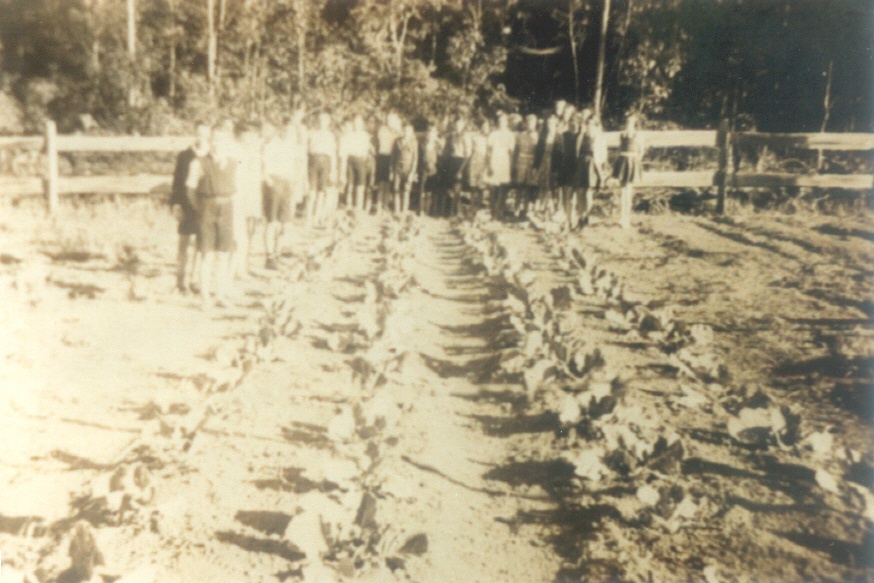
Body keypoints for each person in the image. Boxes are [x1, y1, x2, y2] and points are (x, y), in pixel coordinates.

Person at [187, 124, 237, 308]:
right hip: (206, 207)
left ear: (228, 141)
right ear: (210, 141)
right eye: (214, 140)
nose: (218, 144)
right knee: (206, 254)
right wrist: (200, 208)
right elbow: (191, 189)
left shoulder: (233, 163)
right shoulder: (198, 162)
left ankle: (220, 294)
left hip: (227, 207)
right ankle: (205, 296)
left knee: (224, 254)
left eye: (222, 140)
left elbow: (236, 189)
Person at [170, 122, 211, 294]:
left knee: (201, 244)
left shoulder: (212, 155)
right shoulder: (185, 155)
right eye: (199, 133)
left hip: (205, 205)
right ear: (195, 134)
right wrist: (176, 204)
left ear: (210, 135)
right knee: (184, 243)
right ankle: (180, 281)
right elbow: (178, 182)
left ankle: (195, 280)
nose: (201, 137)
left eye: (205, 134)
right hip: (187, 204)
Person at [262, 120, 296, 269]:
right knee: (272, 222)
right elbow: (264, 167)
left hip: (287, 183)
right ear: (280, 130)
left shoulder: (291, 146)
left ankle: (277, 253)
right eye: (285, 131)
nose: (288, 134)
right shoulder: (271, 145)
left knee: (285, 223)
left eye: (291, 132)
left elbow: (293, 167)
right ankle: (269, 257)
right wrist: (270, 183)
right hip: (274, 183)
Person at [232, 122, 264, 278]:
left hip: (251, 195)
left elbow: (256, 178)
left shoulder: (255, 152)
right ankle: (237, 269)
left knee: (249, 232)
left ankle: (244, 265)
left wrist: (255, 204)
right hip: (237, 195)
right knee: (239, 234)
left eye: (252, 135)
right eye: (246, 134)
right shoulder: (235, 151)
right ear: (239, 135)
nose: (249, 138)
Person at [571, 115, 608, 229]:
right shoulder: (581, 137)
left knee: (588, 192)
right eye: (588, 124)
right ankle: (580, 217)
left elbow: (603, 155)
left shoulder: (600, 138)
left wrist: (601, 171)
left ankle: (587, 215)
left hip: (593, 166)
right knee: (580, 192)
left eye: (592, 124)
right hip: (582, 165)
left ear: (596, 126)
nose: (589, 126)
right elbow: (577, 152)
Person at [612, 112, 645, 229]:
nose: (629, 123)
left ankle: (627, 218)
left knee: (629, 191)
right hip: (622, 162)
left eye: (631, 121)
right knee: (623, 191)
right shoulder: (622, 134)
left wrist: (635, 162)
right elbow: (619, 149)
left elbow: (641, 151)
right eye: (627, 121)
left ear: (634, 122)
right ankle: (621, 218)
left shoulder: (638, 135)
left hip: (632, 162)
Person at [307, 112, 338, 227]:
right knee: (311, 192)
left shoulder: (330, 135)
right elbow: (307, 150)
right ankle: (308, 218)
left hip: (325, 163)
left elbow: (333, 154)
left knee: (321, 193)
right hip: (313, 161)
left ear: (328, 123)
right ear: (317, 121)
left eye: (325, 121)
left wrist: (333, 170)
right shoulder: (312, 133)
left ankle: (317, 218)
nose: (322, 123)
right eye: (320, 120)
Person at [339, 114, 374, 213]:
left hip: (361, 161)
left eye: (359, 123)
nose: (357, 125)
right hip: (350, 160)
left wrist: (365, 156)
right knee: (350, 184)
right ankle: (349, 206)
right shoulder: (349, 135)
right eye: (355, 123)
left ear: (362, 124)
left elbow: (367, 150)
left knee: (360, 185)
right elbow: (344, 151)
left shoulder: (365, 135)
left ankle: (358, 207)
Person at [486, 112, 515, 220]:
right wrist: (489, 165)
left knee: (503, 188)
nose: (502, 123)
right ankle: (493, 212)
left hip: (505, 162)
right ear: (498, 122)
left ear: (507, 122)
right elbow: (488, 151)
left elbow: (511, 152)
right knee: (493, 188)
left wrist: (511, 166)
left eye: (504, 121)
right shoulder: (493, 134)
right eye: (500, 121)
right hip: (494, 161)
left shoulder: (510, 135)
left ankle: (500, 211)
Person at [533, 114, 563, 215]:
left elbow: (561, 154)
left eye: (552, 123)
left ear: (556, 124)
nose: (550, 125)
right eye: (548, 123)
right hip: (543, 163)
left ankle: (553, 209)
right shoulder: (543, 136)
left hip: (554, 164)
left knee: (552, 186)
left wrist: (558, 169)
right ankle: (542, 207)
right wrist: (535, 166)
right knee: (542, 185)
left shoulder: (559, 137)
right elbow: (538, 152)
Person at [439, 117, 468, 217]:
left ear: (463, 126)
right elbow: (446, 149)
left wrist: (461, 170)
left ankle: (457, 212)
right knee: (449, 188)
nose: (458, 127)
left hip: (460, 162)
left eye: (460, 125)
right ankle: (448, 212)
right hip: (450, 161)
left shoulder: (465, 137)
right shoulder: (451, 136)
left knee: (457, 189)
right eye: (456, 125)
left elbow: (467, 155)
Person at [513, 113, 540, 220]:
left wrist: (535, 165)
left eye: (532, 122)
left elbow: (538, 151)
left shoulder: (537, 135)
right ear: (525, 123)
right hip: (521, 160)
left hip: (532, 161)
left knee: (529, 186)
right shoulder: (520, 135)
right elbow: (516, 150)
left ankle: (525, 209)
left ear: (535, 123)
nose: (530, 124)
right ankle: (517, 207)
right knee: (519, 185)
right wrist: (515, 163)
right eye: (528, 122)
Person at [374, 112, 401, 214]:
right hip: (382, 156)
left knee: (388, 182)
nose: (390, 122)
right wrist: (395, 128)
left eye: (392, 120)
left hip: (391, 157)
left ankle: (385, 204)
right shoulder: (383, 130)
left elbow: (401, 135)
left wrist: (397, 127)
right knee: (381, 182)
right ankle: (379, 205)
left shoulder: (395, 131)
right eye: (388, 120)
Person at [464, 118, 490, 217]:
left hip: (484, 163)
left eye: (487, 127)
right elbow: (468, 140)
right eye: (484, 127)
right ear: (481, 127)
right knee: (473, 186)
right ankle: (472, 207)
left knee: (481, 187)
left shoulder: (489, 138)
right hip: (475, 162)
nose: (485, 129)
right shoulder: (475, 136)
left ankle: (478, 208)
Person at [392, 121, 419, 213]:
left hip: (408, 169)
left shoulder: (414, 143)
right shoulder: (397, 141)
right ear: (403, 130)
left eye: (409, 131)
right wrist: (392, 170)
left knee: (406, 190)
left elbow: (415, 159)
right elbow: (393, 156)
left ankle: (404, 211)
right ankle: (396, 210)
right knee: (396, 190)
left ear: (411, 132)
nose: (406, 132)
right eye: (405, 130)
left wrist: (412, 173)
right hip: (398, 168)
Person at [418, 125, 441, 216]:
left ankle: (429, 210)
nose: (430, 135)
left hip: (433, 170)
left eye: (433, 133)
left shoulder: (437, 145)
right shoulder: (422, 144)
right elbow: (419, 157)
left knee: (430, 191)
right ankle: (421, 210)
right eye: (429, 133)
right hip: (423, 169)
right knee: (422, 190)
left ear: (435, 135)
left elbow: (440, 158)